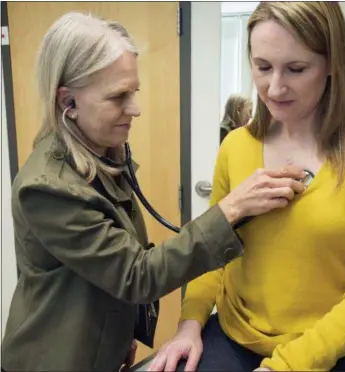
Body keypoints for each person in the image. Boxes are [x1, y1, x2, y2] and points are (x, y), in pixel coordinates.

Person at [0, 12, 308, 372]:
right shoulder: (47, 188)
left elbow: (107, 263)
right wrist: (231, 209)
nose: (135, 109)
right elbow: (136, 275)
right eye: (118, 97)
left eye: (134, 92)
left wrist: (120, 333)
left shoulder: (100, 153)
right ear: (68, 102)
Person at [149, 2, 345, 372]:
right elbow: (213, 256)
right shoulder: (236, 146)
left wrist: (285, 366)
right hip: (235, 339)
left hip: (336, 350)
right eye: (262, 67)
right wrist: (189, 326)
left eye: (296, 69)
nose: (275, 87)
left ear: (332, 63)